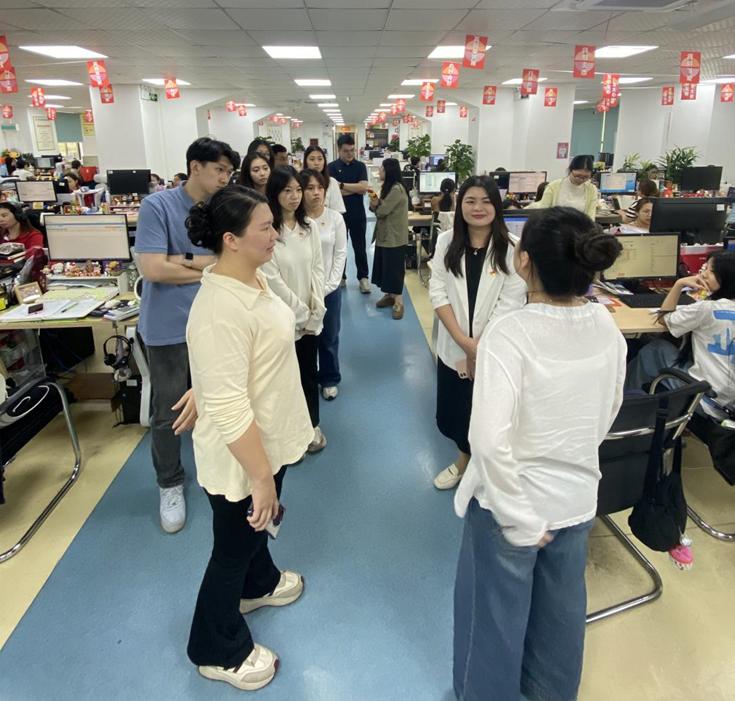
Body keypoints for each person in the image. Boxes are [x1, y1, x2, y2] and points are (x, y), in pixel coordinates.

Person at [453, 207, 626, 701]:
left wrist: (518, 514)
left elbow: (488, 439)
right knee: (561, 619)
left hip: (510, 509)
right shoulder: (606, 325)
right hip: (575, 500)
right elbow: (608, 409)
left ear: (523, 261)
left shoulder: (511, 333)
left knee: (492, 627)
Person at [184, 185, 312, 692]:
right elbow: (230, 404)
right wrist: (260, 479)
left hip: (269, 434)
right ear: (231, 240)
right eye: (265, 227)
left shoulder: (252, 280)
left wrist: (204, 382)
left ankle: (258, 584)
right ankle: (215, 648)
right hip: (242, 453)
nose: (275, 233)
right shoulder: (219, 307)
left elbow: (237, 361)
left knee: (251, 535)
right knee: (232, 548)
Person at [134, 137, 240, 534]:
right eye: (219, 170)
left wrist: (182, 259)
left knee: (221, 401)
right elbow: (153, 269)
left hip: (215, 323)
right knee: (170, 412)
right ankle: (170, 483)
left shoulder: (221, 209)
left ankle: (223, 468)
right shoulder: (157, 206)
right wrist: (206, 266)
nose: (225, 178)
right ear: (195, 167)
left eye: (229, 172)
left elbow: (232, 260)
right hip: (168, 328)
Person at [429, 176, 527, 491]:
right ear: (461, 206)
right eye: (470, 201)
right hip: (455, 345)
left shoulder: (513, 249)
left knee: (490, 415)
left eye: (486, 201)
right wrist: (465, 343)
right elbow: (437, 290)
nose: (478, 208)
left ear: (497, 206)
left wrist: (480, 348)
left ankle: (487, 472)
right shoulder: (446, 241)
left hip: (495, 349)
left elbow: (510, 303)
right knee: (457, 411)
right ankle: (463, 461)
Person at [625, 251, 735, 420]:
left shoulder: (707, 309)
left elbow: (664, 318)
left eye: (711, 270)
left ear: (726, 277)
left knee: (656, 349)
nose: (704, 274)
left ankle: (624, 408)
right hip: (730, 405)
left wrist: (679, 284)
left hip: (705, 399)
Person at [262, 166, 327, 452]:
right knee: (284, 380)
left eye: (298, 190)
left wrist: (317, 307)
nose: (295, 196)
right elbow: (272, 280)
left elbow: (317, 268)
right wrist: (301, 314)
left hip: (310, 319)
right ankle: (289, 436)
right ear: (274, 193)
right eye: (287, 190)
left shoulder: (309, 227)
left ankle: (312, 426)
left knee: (308, 375)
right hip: (281, 320)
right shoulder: (268, 232)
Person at [299, 169, 347, 400]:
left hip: (329, 289)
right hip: (301, 290)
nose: (316, 193)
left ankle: (329, 378)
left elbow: (340, 253)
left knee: (329, 336)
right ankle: (306, 380)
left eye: (320, 188)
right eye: (310, 188)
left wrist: (330, 285)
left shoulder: (335, 218)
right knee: (304, 337)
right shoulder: (295, 219)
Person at [328, 134, 371, 293]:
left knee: (360, 247)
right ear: (339, 150)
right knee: (339, 248)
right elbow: (333, 192)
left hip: (358, 214)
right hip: (338, 215)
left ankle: (363, 278)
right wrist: (355, 188)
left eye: (352, 150)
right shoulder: (331, 167)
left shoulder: (360, 166)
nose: (350, 153)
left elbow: (364, 188)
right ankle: (341, 277)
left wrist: (341, 185)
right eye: (346, 151)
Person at [368, 159, 409, 320]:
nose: (379, 171)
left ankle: (398, 301)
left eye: (382, 169)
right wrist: (375, 202)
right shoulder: (389, 187)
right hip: (385, 236)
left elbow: (382, 211)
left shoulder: (397, 189)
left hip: (394, 237)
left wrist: (376, 204)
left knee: (394, 269)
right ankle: (390, 295)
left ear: (389, 171)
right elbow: (379, 207)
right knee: (386, 267)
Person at [527, 155, 599, 219]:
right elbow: (543, 212)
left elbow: (590, 217)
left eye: (585, 177)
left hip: (580, 228)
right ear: (570, 170)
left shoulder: (591, 189)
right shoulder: (553, 186)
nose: (581, 179)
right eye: (577, 176)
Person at [303, 145, 345, 214]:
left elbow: (338, 211)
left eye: (320, 159)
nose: (316, 163)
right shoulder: (299, 181)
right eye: (312, 159)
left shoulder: (331, 182)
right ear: (305, 161)